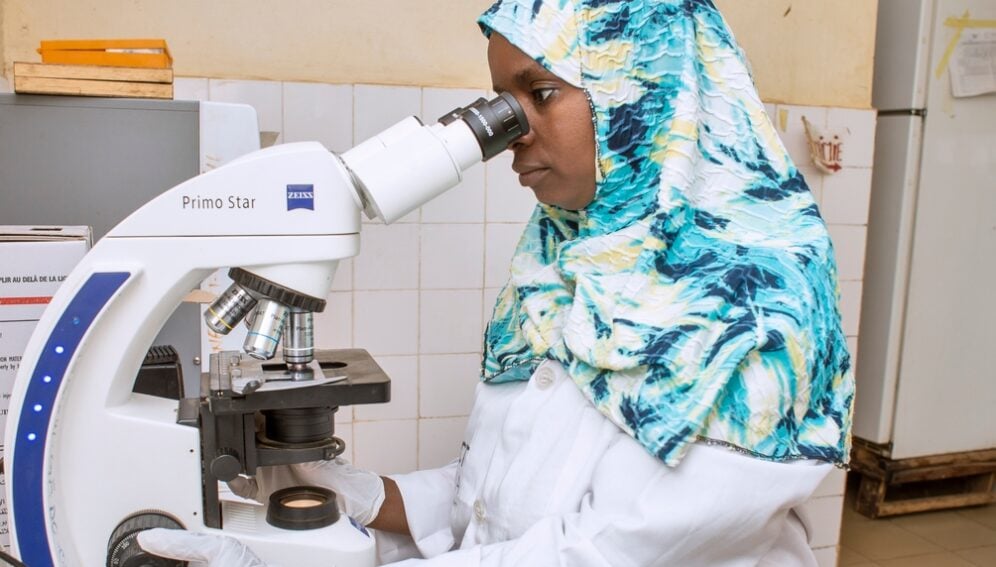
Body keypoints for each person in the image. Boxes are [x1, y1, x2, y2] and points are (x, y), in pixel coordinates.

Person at [139, 0, 855, 565]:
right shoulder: (561, 259)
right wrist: (366, 498)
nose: (510, 129)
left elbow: (608, 551)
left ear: (643, 94)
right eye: (501, 100)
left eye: (539, 93)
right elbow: (499, 499)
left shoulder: (761, 294)